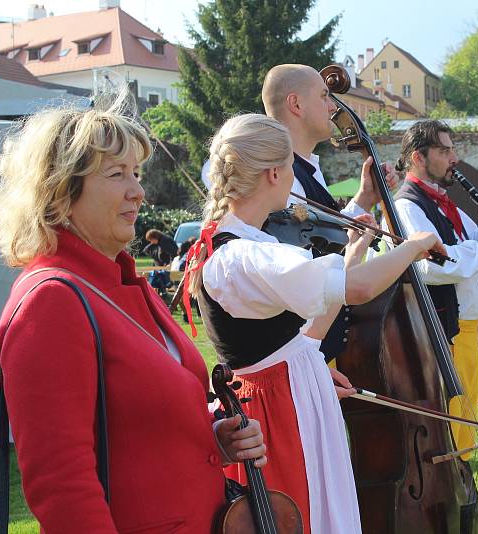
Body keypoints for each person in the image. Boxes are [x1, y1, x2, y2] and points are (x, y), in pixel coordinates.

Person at [0, 98, 266, 533]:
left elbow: (134, 428)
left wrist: (213, 439)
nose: (138, 190)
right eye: (116, 175)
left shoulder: (122, 283)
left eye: (136, 173)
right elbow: (62, 486)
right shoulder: (51, 302)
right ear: (59, 192)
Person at [185, 113, 446, 534]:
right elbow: (358, 290)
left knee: (324, 511)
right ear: (274, 172)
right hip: (277, 410)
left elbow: (297, 336)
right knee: (305, 515)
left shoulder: (255, 246)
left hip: (294, 390)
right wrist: (413, 247)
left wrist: (351, 260)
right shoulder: (243, 257)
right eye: (291, 166)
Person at [390, 120, 478, 458]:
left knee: (464, 423)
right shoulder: (409, 205)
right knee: (450, 425)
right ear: (419, 157)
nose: (454, 158)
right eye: (445, 151)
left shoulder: (441, 203)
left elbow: (467, 246)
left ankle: (463, 486)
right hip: (443, 331)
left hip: (466, 331)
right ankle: (455, 493)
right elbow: (433, 266)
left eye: (453, 149)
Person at [261, 63, 400, 363]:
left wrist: (364, 198)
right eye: (324, 96)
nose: (332, 107)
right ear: (296, 104)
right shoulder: (285, 176)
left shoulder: (305, 168)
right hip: (302, 346)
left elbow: (319, 235)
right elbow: (305, 265)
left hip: (319, 346)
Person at [143, 228, 178, 295]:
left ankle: (162, 292)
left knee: (160, 276)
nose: (151, 242)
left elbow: (173, 252)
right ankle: (158, 293)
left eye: (151, 240)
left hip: (168, 265)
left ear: (155, 237)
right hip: (162, 264)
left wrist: (170, 263)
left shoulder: (164, 241)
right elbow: (146, 249)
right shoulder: (161, 241)